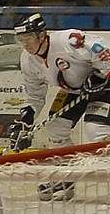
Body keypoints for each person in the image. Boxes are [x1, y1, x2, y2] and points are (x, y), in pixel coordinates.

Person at [9, 12, 110, 199]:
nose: (26, 44)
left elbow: (104, 51)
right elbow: (34, 96)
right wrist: (25, 122)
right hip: (72, 90)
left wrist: (100, 74)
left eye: (29, 38)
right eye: (21, 40)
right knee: (55, 129)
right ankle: (65, 178)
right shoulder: (28, 60)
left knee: (95, 132)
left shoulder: (68, 40)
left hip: (104, 86)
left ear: (42, 35)